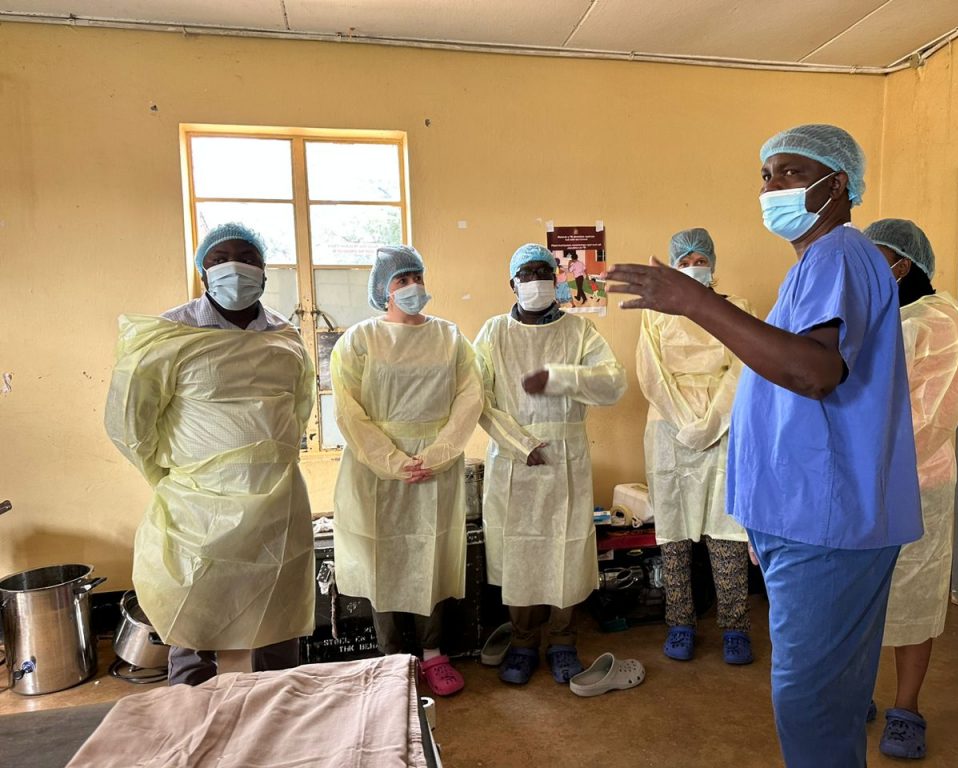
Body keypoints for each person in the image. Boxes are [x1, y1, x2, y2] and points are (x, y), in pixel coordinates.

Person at [607, 125, 922, 768]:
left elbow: (813, 372)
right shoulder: (813, 265)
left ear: (837, 183)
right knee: (825, 699)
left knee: (809, 703)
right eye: (765, 174)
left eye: (787, 172)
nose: (770, 186)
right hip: (807, 516)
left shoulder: (840, 254)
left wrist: (697, 303)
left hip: (828, 521)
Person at [105, 222, 316, 684]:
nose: (233, 267)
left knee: (275, 627)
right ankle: (197, 731)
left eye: (246, 257)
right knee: (197, 619)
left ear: (263, 272)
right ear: (203, 272)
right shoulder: (170, 335)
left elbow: (299, 410)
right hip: (197, 508)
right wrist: (177, 477)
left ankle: (278, 730)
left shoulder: (284, 336)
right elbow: (128, 422)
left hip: (276, 504)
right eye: (220, 259)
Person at [330, 245, 483, 697]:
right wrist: (393, 461)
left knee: (431, 556)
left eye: (416, 276)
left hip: (437, 465)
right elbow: (348, 410)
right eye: (401, 280)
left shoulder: (450, 337)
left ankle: (435, 653)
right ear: (383, 290)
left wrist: (437, 453)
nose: (412, 286)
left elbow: (469, 397)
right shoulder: (358, 341)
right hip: (375, 467)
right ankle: (392, 657)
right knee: (385, 559)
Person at [475, 243, 626, 685]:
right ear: (512, 283)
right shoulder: (493, 333)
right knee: (518, 554)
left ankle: (563, 640)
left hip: (565, 458)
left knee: (565, 550)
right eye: (526, 272)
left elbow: (613, 382)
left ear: (558, 280)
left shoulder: (579, 334)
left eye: (544, 271)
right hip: (513, 461)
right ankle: (523, 642)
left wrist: (560, 377)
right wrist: (519, 443)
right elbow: (477, 399)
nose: (536, 279)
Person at [864, 219, 958, 760]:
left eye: (874, 260)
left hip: (918, 481)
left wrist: (875, 462)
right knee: (858, 596)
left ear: (901, 266)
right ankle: (857, 691)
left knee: (914, 591)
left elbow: (932, 416)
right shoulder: (870, 318)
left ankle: (906, 707)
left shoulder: (941, 322)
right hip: (859, 482)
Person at [636, 227, 754, 665]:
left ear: (714, 265)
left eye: (699, 260)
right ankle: (680, 622)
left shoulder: (737, 311)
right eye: (683, 262)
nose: (692, 268)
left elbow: (744, 370)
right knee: (674, 531)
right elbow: (651, 375)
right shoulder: (654, 316)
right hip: (669, 429)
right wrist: (688, 424)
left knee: (727, 531)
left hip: (725, 428)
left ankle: (735, 626)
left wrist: (711, 423)